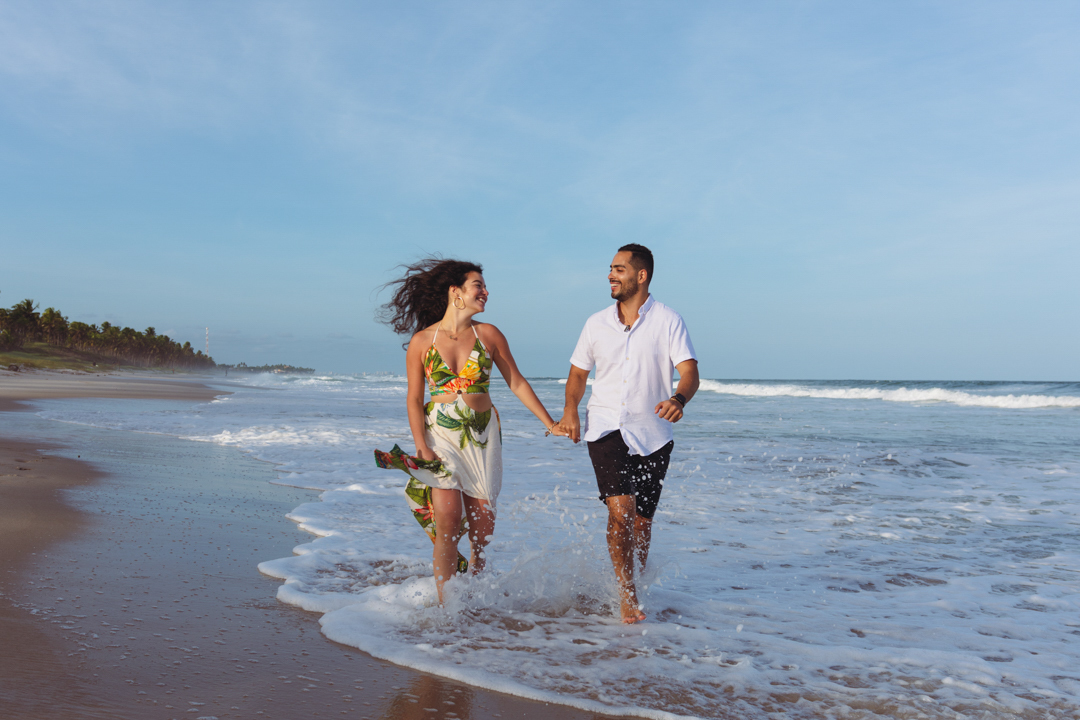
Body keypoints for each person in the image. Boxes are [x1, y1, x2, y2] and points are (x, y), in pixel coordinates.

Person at [378, 258, 567, 604]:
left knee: (483, 532)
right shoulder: (423, 341)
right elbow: (414, 398)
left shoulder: (489, 334)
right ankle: (447, 608)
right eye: (478, 285)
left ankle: (475, 591)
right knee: (448, 519)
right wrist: (421, 444)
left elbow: (517, 382)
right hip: (441, 437)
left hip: (482, 439)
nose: (485, 292)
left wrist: (550, 423)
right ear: (456, 292)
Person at [559, 244, 699, 624]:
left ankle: (634, 575)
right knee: (620, 511)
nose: (610, 275)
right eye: (610, 268)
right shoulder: (595, 323)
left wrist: (679, 398)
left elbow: (689, 372)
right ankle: (627, 593)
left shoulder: (668, 320)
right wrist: (571, 410)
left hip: (653, 432)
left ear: (641, 276)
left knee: (642, 522)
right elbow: (577, 375)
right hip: (605, 427)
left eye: (619, 269)